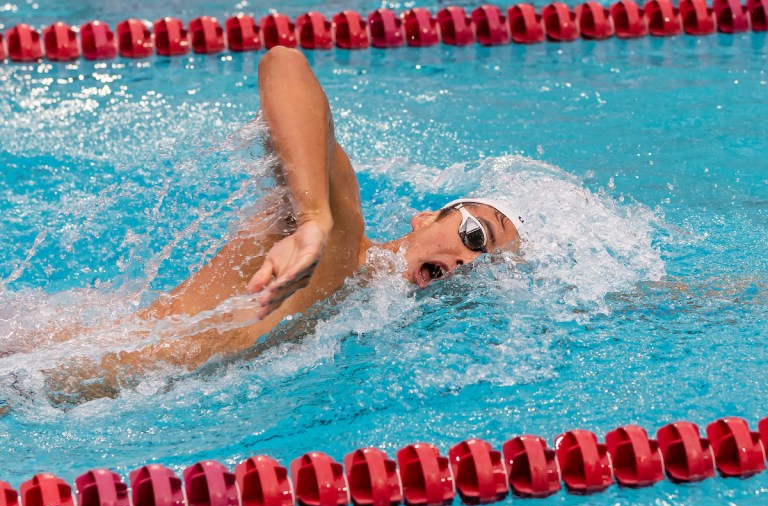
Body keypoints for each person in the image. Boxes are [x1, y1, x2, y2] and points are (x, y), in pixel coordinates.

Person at [45, 47, 523, 402]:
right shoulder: (341, 238)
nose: (467, 261)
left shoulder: (365, 318)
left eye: (484, 266)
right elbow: (283, 62)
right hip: (49, 374)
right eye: (476, 235)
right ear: (425, 217)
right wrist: (314, 217)